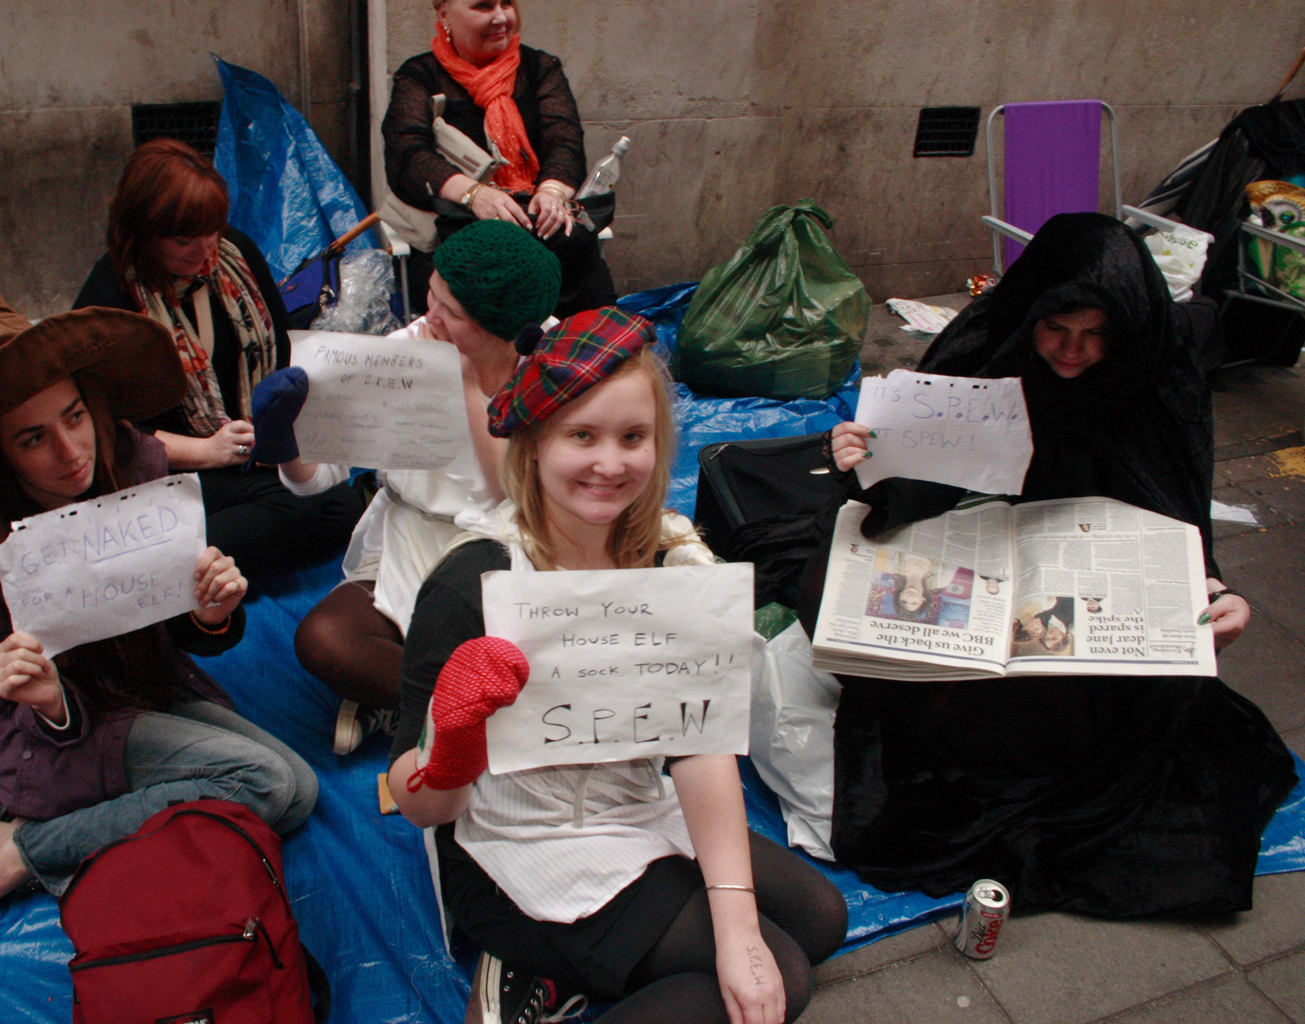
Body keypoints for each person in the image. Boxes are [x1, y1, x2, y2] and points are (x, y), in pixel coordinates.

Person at [0, 232, 319, 966]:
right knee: (266, 785)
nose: (70, 451)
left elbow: (177, 626)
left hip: (148, 690)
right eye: (33, 438)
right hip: (65, 736)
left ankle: (36, 833)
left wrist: (210, 613)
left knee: (299, 793)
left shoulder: (136, 465)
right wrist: (49, 699)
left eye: (75, 416)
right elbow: (11, 698)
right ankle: (18, 852)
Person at [813, 213, 1298, 916]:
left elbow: (1176, 508)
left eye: (1097, 334)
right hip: (980, 541)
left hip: (1096, 565)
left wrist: (1214, 589)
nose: (1074, 352)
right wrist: (865, 465)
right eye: (1056, 329)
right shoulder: (990, 342)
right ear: (1028, 316)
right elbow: (920, 480)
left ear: (1126, 330)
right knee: (843, 606)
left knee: (1105, 707)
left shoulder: (1155, 367)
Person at [385, 309, 847, 1024]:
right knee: (781, 980)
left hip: (632, 808)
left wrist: (735, 928)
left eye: (633, 437)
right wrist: (451, 744)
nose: (610, 463)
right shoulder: (472, 582)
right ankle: (527, 954)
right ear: (535, 444)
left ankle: (561, 970)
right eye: (582, 436)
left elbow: (701, 746)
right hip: (514, 843)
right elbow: (416, 803)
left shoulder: (671, 561)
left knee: (819, 919)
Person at [255, 220, 561, 753]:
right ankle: (439, 708)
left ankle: (411, 700)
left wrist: (465, 382)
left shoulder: (551, 367)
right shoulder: (400, 355)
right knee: (325, 640)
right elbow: (321, 479)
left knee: (539, 649)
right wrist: (288, 444)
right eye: (431, 294)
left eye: (452, 313)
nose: (429, 316)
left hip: (508, 551)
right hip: (407, 542)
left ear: (501, 328)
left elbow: (511, 493)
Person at [74, 138, 369, 576]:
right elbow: (105, 430)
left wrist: (274, 430)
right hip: (172, 469)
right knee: (293, 507)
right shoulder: (110, 299)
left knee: (341, 508)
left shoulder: (235, 255)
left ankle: (225, 556)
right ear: (143, 233)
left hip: (245, 452)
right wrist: (206, 451)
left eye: (212, 231)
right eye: (185, 239)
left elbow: (283, 352)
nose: (205, 249)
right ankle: (154, 566)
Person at [382, 0, 616, 317]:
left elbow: (565, 141)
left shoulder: (539, 68)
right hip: (458, 238)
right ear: (444, 14)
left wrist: (552, 192)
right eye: (483, 6)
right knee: (476, 314)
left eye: (506, 3)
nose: (501, 17)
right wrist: (475, 195)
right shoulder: (419, 77)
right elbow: (408, 156)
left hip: (539, 230)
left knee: (595, 305)